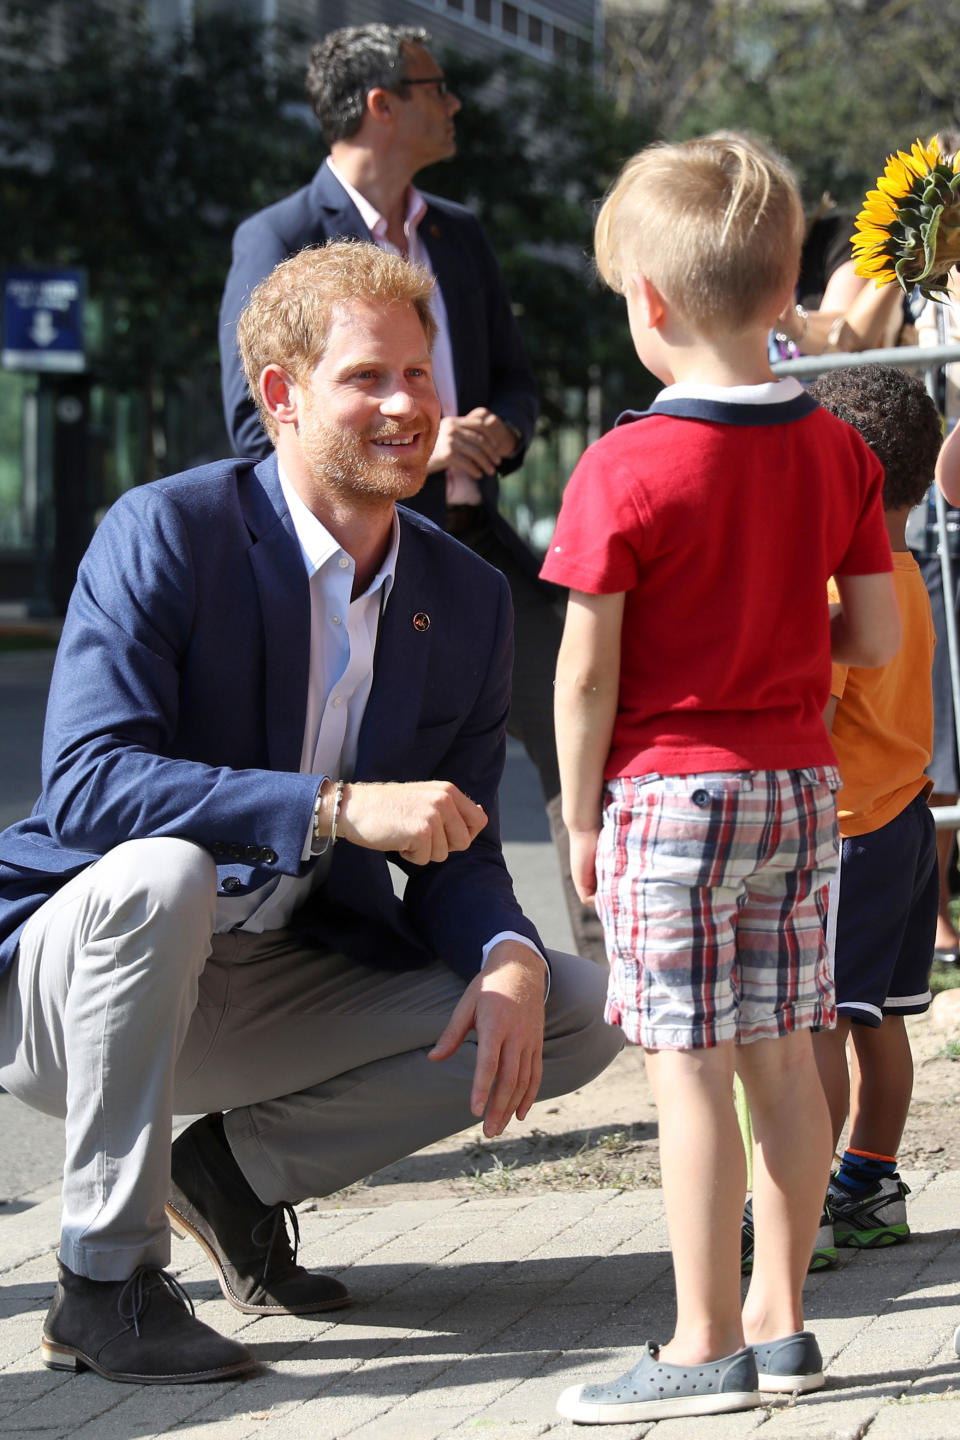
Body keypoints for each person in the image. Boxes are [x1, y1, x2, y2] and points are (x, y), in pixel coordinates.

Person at [0, 241, 622, 1386]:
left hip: (278, 974)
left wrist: (506, 951)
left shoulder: (466, 597)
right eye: (367, 378)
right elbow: (86, 783)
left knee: (575, 1003)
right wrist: (334, 808)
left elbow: (457, 844)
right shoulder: (166, 531)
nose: (407, 406)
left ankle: (231, 1175)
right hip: (76, 988)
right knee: (162, 874)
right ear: (280, 396)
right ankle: (102, 1282)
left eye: (421, 374)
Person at [542, 133, 900, 1425]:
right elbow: (876, 635)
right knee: (785, 1062)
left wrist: (581, 816)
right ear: (788, 278)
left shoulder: (625, 465)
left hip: (672, 798)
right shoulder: (839, 454)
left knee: (686, 1075)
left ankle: (700, 1344)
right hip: (800, 790)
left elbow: (586, 675)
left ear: (647, 302)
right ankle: (783, 1320)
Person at [218, 21, 604, 963]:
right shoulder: (277, 237)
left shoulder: (460, 237)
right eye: (436, 86)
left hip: (475, 544)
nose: (455, 102)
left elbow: (515, 382)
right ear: (380, 104)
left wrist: (496, 431)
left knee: (575, 722)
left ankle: (601, 963)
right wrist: (424, 452)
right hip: (347, 555)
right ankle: (314, 967)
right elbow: (251, 425)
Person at [806, 365, 941, 1253]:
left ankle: (802, 1205)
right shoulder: (913, 576)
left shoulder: (841, 587)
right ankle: (870, 1183)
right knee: (879, 1018)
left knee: (818, 1021)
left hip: (844, 834)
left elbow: (814, 711)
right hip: (906, 825)